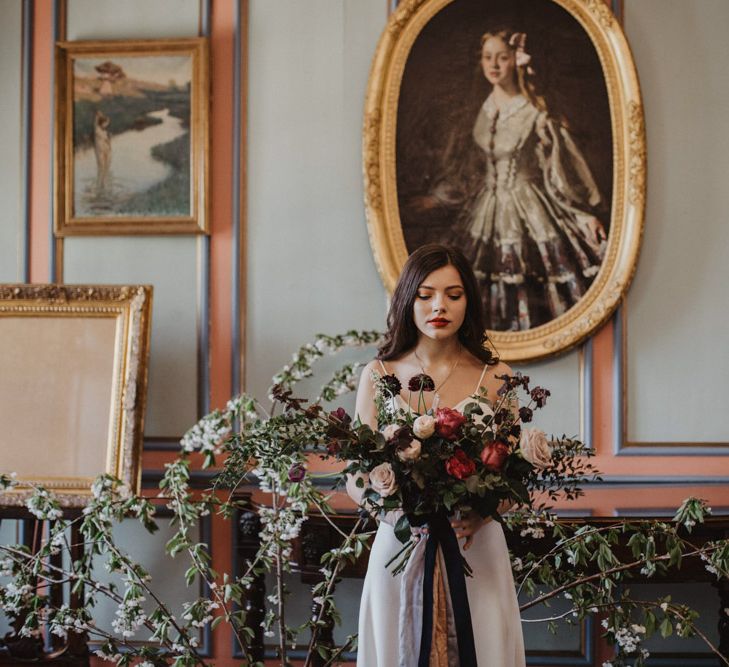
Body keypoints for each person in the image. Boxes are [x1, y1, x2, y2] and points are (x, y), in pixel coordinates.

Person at [347, 243, 526, 666]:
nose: (438, 306)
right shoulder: (379, 375)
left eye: (453, 294)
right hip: (401, 547)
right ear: (408, 299)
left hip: (475, 545)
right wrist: (397, 515)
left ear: (470, 301)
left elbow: (513, 475)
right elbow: (357, 477)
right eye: (425, 294)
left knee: (484, 648)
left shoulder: (497, 377)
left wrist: (481, 512)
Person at [427, 29, 608, 331]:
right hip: (485, 208)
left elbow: (562, 171)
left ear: (517, 61)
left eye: (502, 57)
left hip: (529, 209)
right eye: (487, 58)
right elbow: (468, 171)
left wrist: (584, 215)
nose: (493, 65)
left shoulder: (535, 113)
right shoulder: (481, 109)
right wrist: (438, 197)